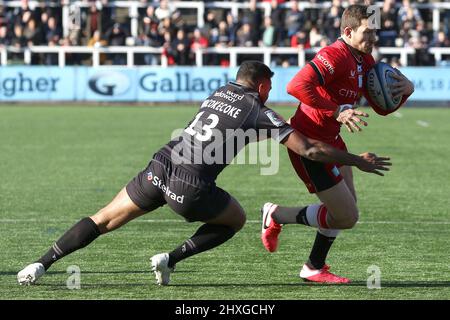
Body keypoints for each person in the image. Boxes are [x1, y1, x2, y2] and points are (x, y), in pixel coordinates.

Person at [17, 61, 390, 286]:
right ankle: (171, 258)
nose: (271, 92)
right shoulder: (259, 110)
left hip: (161, 164)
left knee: (103, 219)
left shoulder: (216, 92)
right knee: (236, 220)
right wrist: (355, 160)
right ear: (261, 85)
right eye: (270, 87)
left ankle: (40, 263)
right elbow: (308, 149)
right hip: (190, 185)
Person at [260, 5, 414, 284]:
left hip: (332, 140)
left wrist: (405, 92)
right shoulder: (335, 55)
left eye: (375, 32)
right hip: (310, 144)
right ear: (348, 31)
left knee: (346, 211)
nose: (373, 39)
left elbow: (382, 109)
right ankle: (278, 215)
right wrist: (337, 110)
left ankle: (312, 266)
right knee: (346, 216)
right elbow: (296, 86)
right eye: (367, 33)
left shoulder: (364, 59)